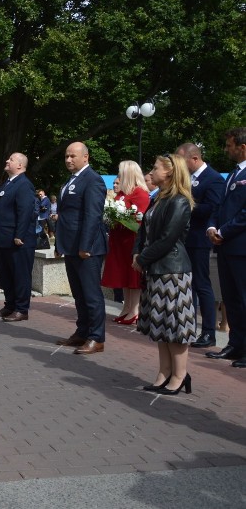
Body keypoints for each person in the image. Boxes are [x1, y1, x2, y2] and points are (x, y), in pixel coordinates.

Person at [132, 153, 197, 394]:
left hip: (172, 271)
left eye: (155, 168)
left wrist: (143, 258)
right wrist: (136, 253)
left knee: (176, 326)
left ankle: (180, 376)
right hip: (155, 269)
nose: (151, 172)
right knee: (160, 325)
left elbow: (168, 239)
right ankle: (164, 372)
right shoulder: (158, 198)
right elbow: (143, 231)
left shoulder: (179, 201)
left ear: (169, 172)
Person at [54, 142, 109, 354]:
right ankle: (82, 332)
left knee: (91, 294)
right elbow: (66, 216)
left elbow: (92, 215)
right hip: (71, 246)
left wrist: (85, 245)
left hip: (88, 248)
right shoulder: (71, 180)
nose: (68, 160)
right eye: (66, 156)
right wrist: (60, 244)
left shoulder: (93, 180)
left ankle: (97, 338)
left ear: (85, 157)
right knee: (79, 293)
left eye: (73, 156)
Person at [175, 143, 225, 349]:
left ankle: (208, 332)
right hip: (186, 238)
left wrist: (186, 204)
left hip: (200, 239)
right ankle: (188, 327)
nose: (179, 165)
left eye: (181, 160)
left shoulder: (213, 179)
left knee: (202, 285)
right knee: (188, 285)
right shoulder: (188, 178)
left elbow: (213, 208)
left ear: (194, 159)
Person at [206, 127, 246, 368]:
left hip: (241, 246)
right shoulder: (233, 174)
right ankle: (235, 344)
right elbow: (219, 206)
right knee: (230, 299)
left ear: (242, 147)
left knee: (243, 299)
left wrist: (224, 231)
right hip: (225, 246)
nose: (226, 149)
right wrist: (211, 227)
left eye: (230, 145)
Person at [0, 153, 37, 322]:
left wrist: (19, 235)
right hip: (5, 239)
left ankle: (22, 309)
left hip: (18, 240)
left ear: (20, 165)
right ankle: (10, 306)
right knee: (6, 275)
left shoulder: (23, 184)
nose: (7, 161)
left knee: (20, 275)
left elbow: (25, 211)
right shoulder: (9, 183)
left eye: (11, 160)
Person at [100, 161, 150, 325]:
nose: (119, 176)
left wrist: (124, 218)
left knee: (132, 276)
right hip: (118, 238)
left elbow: (140, 219)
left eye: (121, 173)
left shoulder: (140, 193)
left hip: (131, 240)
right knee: (123, 275)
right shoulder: (122, 192)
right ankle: (126, 308)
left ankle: (134, 310)